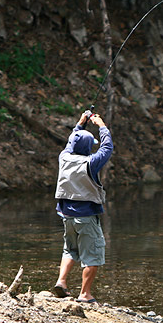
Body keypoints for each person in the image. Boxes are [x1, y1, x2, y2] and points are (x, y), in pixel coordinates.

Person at [51, 110, 113, 304]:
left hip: (66, 215)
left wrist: (80, 124)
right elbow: (107, 147)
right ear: (87, 148)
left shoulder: (64, 157)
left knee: (70, 249)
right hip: (86, 216)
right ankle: (85, 294)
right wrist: (101, 125)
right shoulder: (91, 163)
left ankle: (61, 282)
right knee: (93, 255)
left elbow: (71, 142)